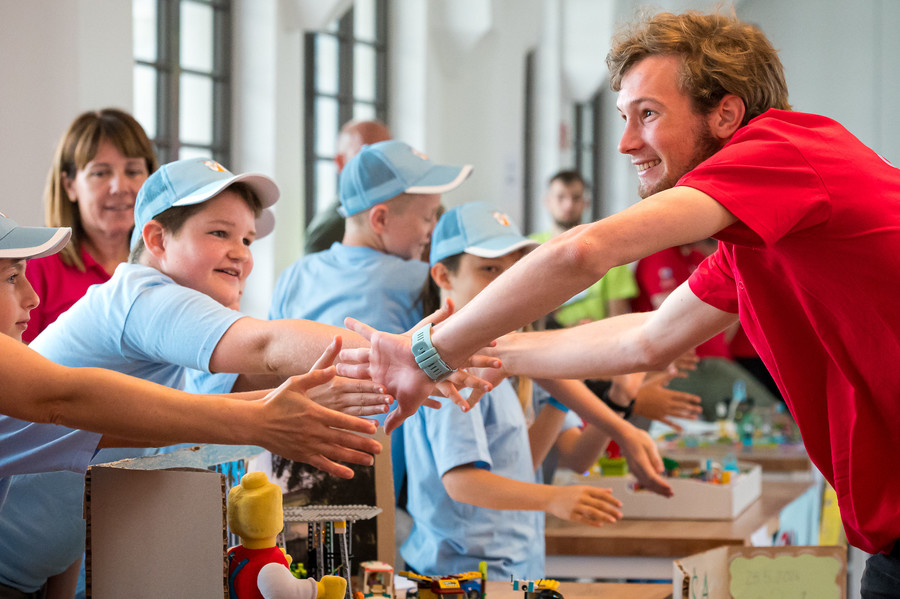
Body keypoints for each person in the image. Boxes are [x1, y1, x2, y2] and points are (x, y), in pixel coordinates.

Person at [337, 10, 900, 596]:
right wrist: (479, 351)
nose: (626, 142)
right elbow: (646, 338)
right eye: (623, 118)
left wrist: (429, 351)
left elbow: (584, 252)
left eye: (648, 115)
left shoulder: (782, 151)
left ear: (726, 114)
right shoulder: (757, 237)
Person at [0, 158, 392, 598]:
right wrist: (402, 358)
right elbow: (264, 344)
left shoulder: (165, 349)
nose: (242, 251)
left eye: (247, 238)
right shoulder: (139, 297)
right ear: (157, 238)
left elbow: (75, 475)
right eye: (219, 233)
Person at [402, 201, 622, 579]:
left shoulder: (494, 356)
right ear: (442, 275)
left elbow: (521, 463)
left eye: (512, 271)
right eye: (489, 269)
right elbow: (462, 481)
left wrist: (561, 387)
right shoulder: (449, 365)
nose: (505, 284)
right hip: (466, 576)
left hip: (510, 566)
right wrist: (554, 498)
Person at [24, 108, 157, 342]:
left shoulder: (167, 264)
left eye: (134, 171)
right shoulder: (35, 268)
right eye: (100, 173)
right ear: (70, 186)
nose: (120, 187)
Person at [531, 170, 637, 324]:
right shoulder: (531, 249)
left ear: (585, 203)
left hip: (595, 343)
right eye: (560, 197)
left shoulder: (610, 250)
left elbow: (618, 320)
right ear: (547, 201)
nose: (568, 205)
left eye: (576, 197)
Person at [303, 120, 391, 255]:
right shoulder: (327, 231)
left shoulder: (403, 212)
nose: (379, 166)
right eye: (365, 157)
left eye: (386, 155)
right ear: (340, 162)